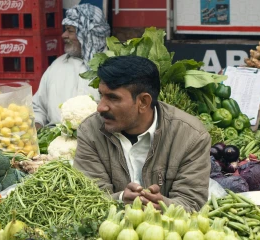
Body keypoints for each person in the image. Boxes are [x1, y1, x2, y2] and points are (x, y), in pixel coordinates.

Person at [73, 56, 210, 212]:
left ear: (143, 102)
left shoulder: (190, 136)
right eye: (101, 95)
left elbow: (192, 202)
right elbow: (87, 198)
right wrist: (119, 199)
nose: (101, 107)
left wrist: (162, 204)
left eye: (112, 98)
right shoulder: (90, 131)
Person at [33, 4, 109, 128]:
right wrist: (37, 125)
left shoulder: (112, 67)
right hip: (56, 140)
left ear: (87, 35)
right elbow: (38, 107)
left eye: (70, 30)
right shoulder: (57, 65)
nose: (64, 35)